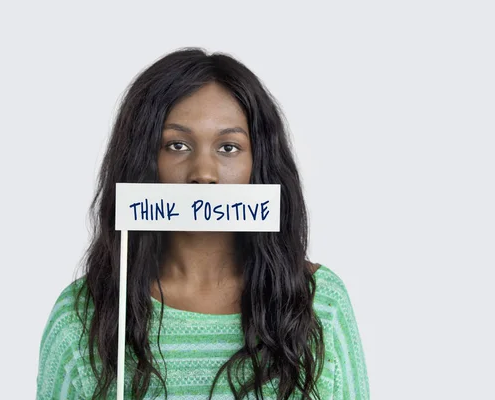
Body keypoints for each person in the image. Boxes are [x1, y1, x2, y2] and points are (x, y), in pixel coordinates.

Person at [36, 48, 370, 399]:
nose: (204, 175)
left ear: (260, 165)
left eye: (228, 148)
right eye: (177, 145)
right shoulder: (81, 318)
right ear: (141, 160)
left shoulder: (320, 305)